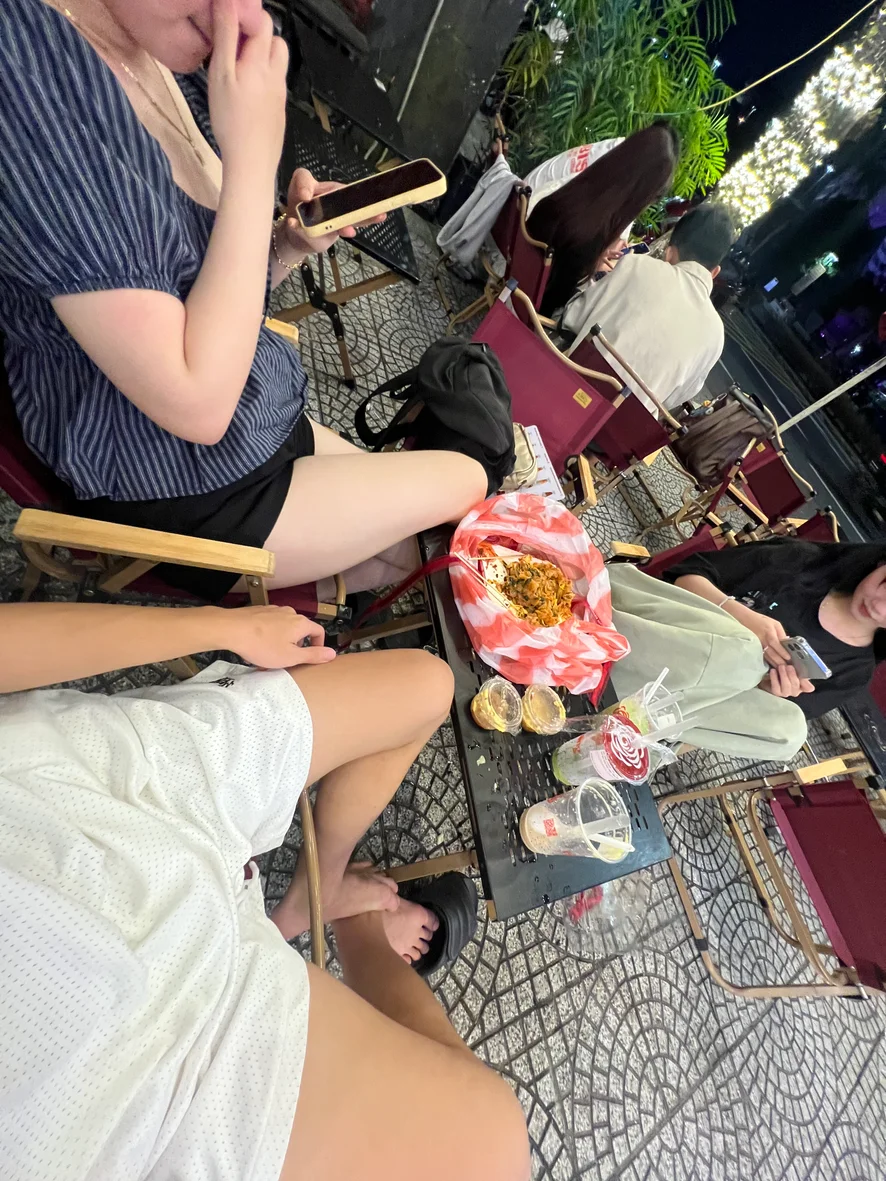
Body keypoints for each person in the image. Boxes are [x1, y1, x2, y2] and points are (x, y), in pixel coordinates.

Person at [0, 599, 530, 1181]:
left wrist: (227, 625)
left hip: (92, 791)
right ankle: (354, 921)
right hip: (149, 1082)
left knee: (426, 684)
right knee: (492, 1140)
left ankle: (324, 892)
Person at [0, 0, 489, 604]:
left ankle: (291, 628)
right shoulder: (26, 71)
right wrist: (254, 162)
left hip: (257, 408)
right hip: (168, 471)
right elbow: (198, 403)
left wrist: (285, 243)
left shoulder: (162, 48)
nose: (247, 15)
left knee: (413, 551)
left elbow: (201, 286)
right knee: (468, 480)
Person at [606, 536, 886, 760]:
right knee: (747, 656)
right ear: (880, 563)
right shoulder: (800, 561)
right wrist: (742, 616)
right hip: (645, 623)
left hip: (677, 699)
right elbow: (684, 575)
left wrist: (767, 688)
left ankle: (630, 721)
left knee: (790, 732)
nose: (878, 607)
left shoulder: (854, 673)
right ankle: (616, 694)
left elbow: (733, 723)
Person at [562, 203, 735, 416]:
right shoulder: (716, 335)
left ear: (669, 252)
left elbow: (572, 318)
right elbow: (671, 400)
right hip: (616, 428)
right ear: (714, 272)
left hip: (566, 389)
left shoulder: (636, 265)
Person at [525, 122, 680, 316]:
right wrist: (591, 267)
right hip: (528, 313)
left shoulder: (567, 193)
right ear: (639, 194)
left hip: (512, 282)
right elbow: (554, 305)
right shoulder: (586, 238)